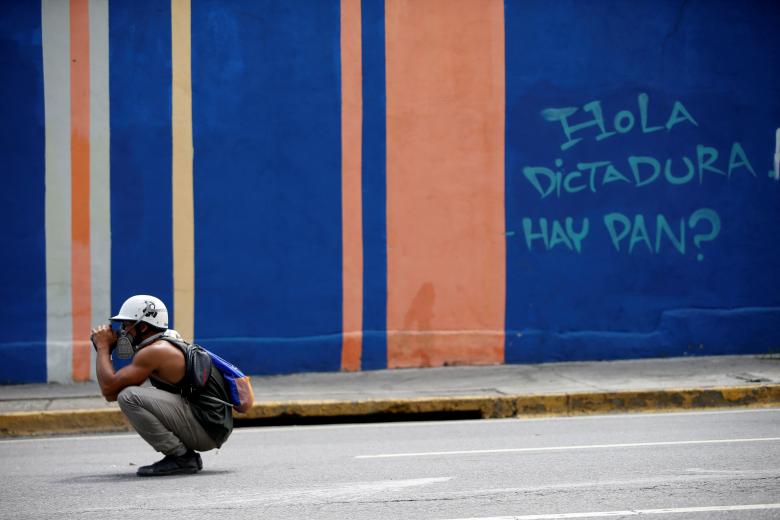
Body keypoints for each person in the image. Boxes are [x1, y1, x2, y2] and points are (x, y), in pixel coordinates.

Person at [91, 295, 233, 476]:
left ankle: (181, 457)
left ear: (142, 326)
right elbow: (111, 392)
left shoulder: (154, 352)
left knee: (129, 396)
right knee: (135, 391)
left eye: (126, 325)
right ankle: (182, 456)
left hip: (207, 428)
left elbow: (109, 390)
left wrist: (103, 348)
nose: (122, 331)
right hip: (213, 425)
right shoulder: (166, 341)